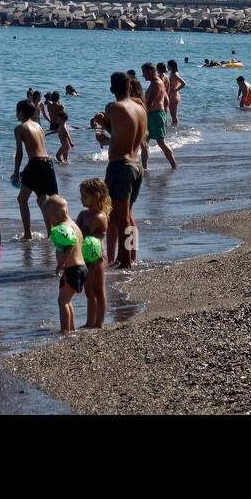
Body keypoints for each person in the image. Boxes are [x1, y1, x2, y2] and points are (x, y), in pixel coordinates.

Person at [103, 72, 147, 269]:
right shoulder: (141, 108)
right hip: (136, 165)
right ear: (130, 87)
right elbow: (124, 133)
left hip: (120, 166)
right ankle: (132, 255)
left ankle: (125, 261)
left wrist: (102, 122)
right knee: (128, 215)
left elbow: (114, 132)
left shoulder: (113, 107)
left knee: (120, 218)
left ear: (112, 89)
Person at [13, 99, 58, 240]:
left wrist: (16, 172)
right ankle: (51, 233)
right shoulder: (38, 126)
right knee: (42, 199)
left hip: (36, 163)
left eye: (16, 112)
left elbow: (19, 153)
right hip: (48, 163)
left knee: (22, 199)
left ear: (20, 113)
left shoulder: (20, 128)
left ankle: (27, 234)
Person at [44, 195, 85, 333]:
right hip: (80, 268)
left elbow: (71, 244)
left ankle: (65, 330)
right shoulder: (73, 225)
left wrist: (61, 263)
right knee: (67, 300)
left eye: (49, 218)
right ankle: (71, 328)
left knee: (62, 302)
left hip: (72, 269)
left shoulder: (63, 228)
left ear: (55, 215)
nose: (50, 222)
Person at [76, 178, 110, 329]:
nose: (81, 199)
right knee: (89, 292)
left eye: (85, 196)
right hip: (84, 257)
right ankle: (89, 322)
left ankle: (99, 323)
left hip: (97, 258)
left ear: (96, 196)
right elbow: (75, 231)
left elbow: (82, 234)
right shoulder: (83, 214)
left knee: (99, 291)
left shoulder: (100, 217)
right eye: (81, 196)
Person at [142, 62, 178, 170]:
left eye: (144, 72)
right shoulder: (155, 82)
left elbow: (150, 103)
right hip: (153, 115)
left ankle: (174, 166)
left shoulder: (157, 83)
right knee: (144, 143)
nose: (143, 75)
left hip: (155, 116)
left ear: (151, 71)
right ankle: (144, 168)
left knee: (161, 143)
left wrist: (139, 115)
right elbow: (166, 99)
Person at [46, 91, 72, 163]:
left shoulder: (49, 105)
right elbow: (63, 116)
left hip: (52, 125)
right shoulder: (61, 106)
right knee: (64, 139)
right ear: (59, 98)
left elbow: (47, 101)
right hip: (59, 124)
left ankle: (63, 159)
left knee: (63, 141)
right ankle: (65, 159)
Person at [167, 59, 187, 126]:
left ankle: (175, 130)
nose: (167, 67)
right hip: (172, 95)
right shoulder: (172, 73)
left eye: (168, 65)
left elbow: (184, 83)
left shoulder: (175, 74)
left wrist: (176, 89)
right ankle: (174, 129)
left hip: (174, 96)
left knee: (174, 116)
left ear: (171, 66)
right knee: (173, 115)